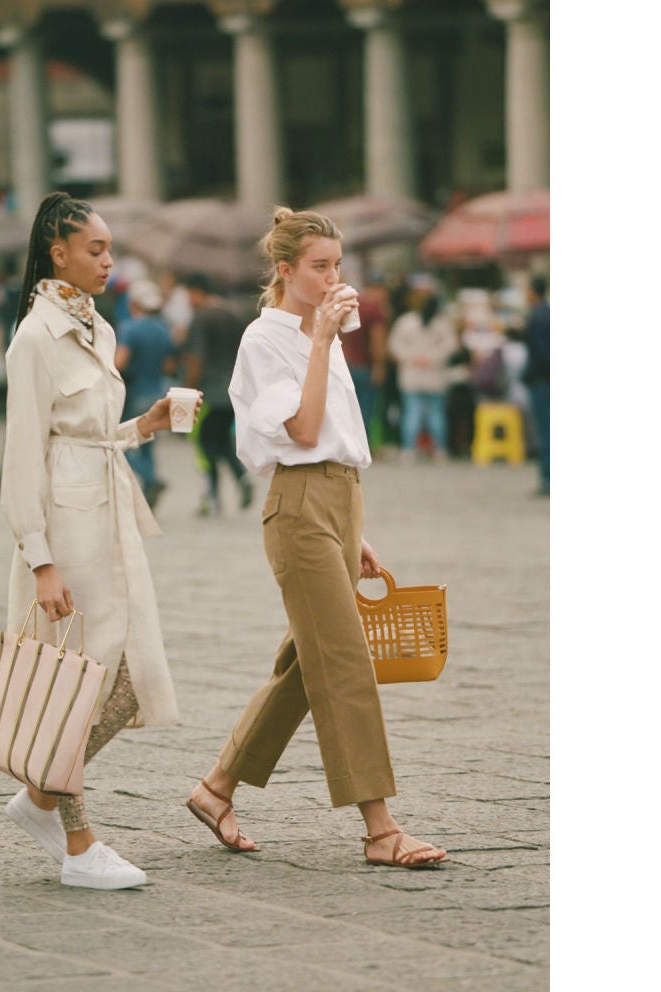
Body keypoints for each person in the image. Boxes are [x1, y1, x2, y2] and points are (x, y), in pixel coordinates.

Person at [185, 207, 447, 869]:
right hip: (299, 505)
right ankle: (380, 828)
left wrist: (354, 531)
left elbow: (337, 441)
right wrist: (325, 340)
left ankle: (217, 788)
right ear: (285, 271)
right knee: (344, 661)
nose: (334, 277)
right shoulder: (264, 339)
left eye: (338, 265)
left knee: (308, 665)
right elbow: (302, 433)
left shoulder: (314, 330)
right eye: (319, 267)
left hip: (338, 502)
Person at [0, 191, 198, 890]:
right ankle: (79, 845)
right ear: (58, 252)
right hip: (67, 525)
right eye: (95, 250)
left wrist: (145, 424)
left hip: (109, 509)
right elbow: (22, 455)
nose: (108, 261)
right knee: (83, 677)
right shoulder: (34, 339)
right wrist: (40, 559)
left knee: (127, 678)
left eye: (110, 249)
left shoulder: (98, 329)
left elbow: (92, 433)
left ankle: (41, 798)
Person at [181, 272, 253, 516]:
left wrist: (188, 391)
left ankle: (212, 496)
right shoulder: (235, 315)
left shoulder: (200, 319)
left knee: (204, 444)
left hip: (208, 394)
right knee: (221, 440)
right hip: (234, 392)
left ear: (198, 292)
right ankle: (242, 479)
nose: (188, 301)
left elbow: (195, 358)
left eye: (189, 295)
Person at [114, 278, 176, 509]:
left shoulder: (130, 328)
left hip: (136, 393)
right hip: (158, 392)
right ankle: (151, 487)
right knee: (149, 444)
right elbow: (170, 366)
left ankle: (151, 480)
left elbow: (119, 362)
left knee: (124, 445)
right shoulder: (163, 329)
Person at [387, 294, 457, 461]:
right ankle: (440, 449)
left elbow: (395, 344)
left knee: (412, 413)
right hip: (435, 375)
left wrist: (411, 357)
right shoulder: (443, 324)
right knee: (436, 413)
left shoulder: (406, 322)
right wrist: (432, 358)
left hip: (411, 373)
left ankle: (408, 449)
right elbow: (451, 346)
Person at [341, 274, 391, 456]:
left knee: (348, 407)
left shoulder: (353, 304)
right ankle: (364, 447)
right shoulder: (375, 309)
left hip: (346, 363)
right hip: (364, 365)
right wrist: (380, 366)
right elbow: (377, 340)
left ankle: (349, 446)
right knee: (366, 409)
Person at [522, 274, 550, 495]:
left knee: (545, 430)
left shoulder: (538, 317)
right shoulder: (546, 313)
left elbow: (542, 353)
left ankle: (547, 477)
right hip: (544, 378)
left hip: (542, 380)